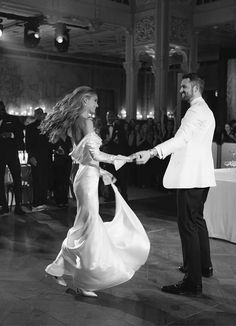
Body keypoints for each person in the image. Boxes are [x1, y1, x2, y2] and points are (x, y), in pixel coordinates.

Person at [40, 86, 150, 297]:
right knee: (89, 225)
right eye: (95, 101)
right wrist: (122, 159)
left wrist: (102, 174)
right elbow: (95, 155)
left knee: (82, 225)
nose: (97, 105)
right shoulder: (86, 121)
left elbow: (85, 157)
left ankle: (59, 267)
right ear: (85, 101)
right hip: (87, 178)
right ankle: (85, 280)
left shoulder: (74, 123)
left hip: (84, 176)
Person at [135, 73, 215, 296]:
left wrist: (152, 152)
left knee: (187, 225)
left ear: (196, 88)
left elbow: (180, 140)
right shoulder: (206, 110)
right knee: (197, 221)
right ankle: (203, 267)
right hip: (202, 177)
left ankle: (192, 282)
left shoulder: (194, 111)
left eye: (184, 87)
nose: (180, 91)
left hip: (191, 178)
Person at [0, 101, 26, 215]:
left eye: (1, 108)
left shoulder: (13, 119)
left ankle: (18, 206)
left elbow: (21, 135)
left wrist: (10, 135)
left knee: (17, 179)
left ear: (4, 108)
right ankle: (4, 206)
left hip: (12, 155)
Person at [25, 108, 53, 211]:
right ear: (35, 115)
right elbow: (28, 144)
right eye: (38, 113)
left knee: (45, 180)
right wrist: (31, 156)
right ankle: (36, 203)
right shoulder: (30, 127)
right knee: (37, 180)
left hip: (46, 158)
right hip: (35, 158)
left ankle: (43, 202)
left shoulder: (48, 127)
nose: (40, 115)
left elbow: (50, 143)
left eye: (41, 113)